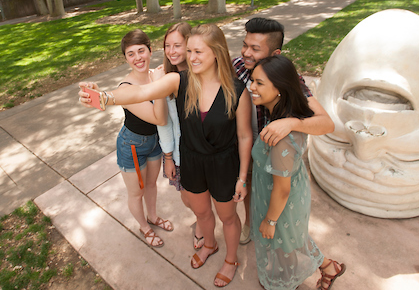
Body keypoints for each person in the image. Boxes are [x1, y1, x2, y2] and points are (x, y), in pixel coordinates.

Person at [79, 24, 252, 287]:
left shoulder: (237, 91)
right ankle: (209, 245)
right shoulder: (179, 81)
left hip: (224, 165)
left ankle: (230, 260)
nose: (191, 57)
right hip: (192, 161)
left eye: (198, 52)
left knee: (227, 217)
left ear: (217, 53)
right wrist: (104, 96)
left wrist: (241, 177)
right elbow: (140, 92)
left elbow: (244, 136)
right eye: (189, 50)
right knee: (202, 214)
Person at [232, 17, 334, 245]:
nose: (246, 53)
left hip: (277, 154)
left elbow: (327, 123)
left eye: (255, 49)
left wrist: (292, 123)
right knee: (249, 186)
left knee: (278, 197)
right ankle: (250, 223)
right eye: (245, 44)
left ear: (275, 54)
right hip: (248, 146)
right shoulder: (238, 66)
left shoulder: (290, 82)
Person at [249, 55, 346, 290]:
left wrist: (270, 221)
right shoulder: (282, 113)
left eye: (259, 83)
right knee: (293, 237)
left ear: (280, 88)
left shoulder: (282, 135)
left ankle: (287, 282)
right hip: (283, 194)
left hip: (281, 200)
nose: (252, 87)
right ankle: (329, 267)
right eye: (253, 80)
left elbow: (282, 190)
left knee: (287, 241)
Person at [105, 29, 173, 248]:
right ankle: (144, 227)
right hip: (133, 145)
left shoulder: (156, 75)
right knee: (137, 192)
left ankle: (153, 217)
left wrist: (159, 80)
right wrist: (161, 86)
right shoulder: (125, 89)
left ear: (150, 50)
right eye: (131, 54)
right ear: (126, 59)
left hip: (154, 143)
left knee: (151, 184)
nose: (137, 58)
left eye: (141, 51)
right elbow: (159, 119)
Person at [153, 22, 206, 250]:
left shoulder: (203, 75)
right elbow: (164, 123)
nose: (172, 51)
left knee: (201, 199)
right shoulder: (166, 78)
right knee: (186, 199)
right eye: (167, 46)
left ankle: (204, 226)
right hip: (180, 154)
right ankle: (203, 217)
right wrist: (167, 157)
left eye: (177, 45)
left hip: (204, 153)